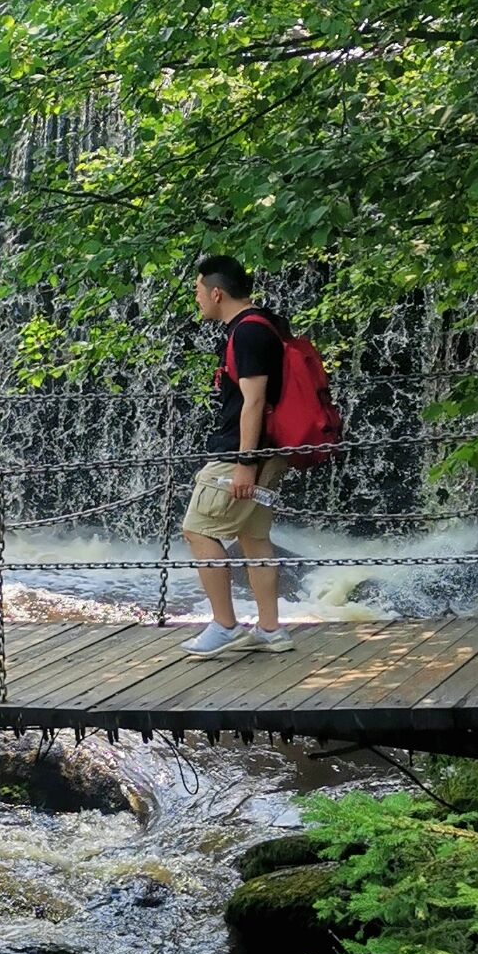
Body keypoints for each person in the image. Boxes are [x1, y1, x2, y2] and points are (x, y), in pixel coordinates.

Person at [179, 254, 293, 655]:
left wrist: (245, 463)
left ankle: (225, 626)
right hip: (270, 452)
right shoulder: (266, 324)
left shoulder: (246, 333)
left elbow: (254, 401)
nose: (196, 299)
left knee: (198, 530)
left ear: (216, 293)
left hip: (240, 455)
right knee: (253, 536)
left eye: (198, 291)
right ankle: (270, 629)